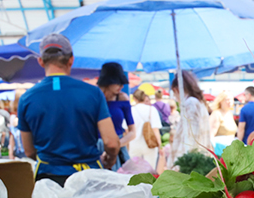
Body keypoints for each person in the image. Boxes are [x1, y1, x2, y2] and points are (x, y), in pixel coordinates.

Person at [17, 33, 119, 186]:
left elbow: (29, 151)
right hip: (88, 178)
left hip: (48, 180)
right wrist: (110, 159)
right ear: (71, 60)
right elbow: (111, 143)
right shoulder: (93, 93)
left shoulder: (27, 98)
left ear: (40, 61)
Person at [167, 70, 211, 169]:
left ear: (176, 89)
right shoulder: (199, 102)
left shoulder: (190, 103)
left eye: (174, 93)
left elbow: (190, 137)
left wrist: (181, 165)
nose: (175, 97)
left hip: (190, 164)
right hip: (199, 159)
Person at [97, 62, 135, 170]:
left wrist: (117, 144)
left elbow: (132, 132)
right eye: (118, 83)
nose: (121, 86)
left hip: (118, 150)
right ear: (108, 82)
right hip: (97, 150)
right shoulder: (95, 98)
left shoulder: (122, 98)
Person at [130, 89, 164, 174]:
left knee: (134, 172)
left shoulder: (131, 110)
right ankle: (148, 187)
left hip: (134, 144)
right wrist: (160, 146)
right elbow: (156, 130)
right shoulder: (152, 109)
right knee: (150, 171)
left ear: (134, 98)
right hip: (150, 144)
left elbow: (127, 130)